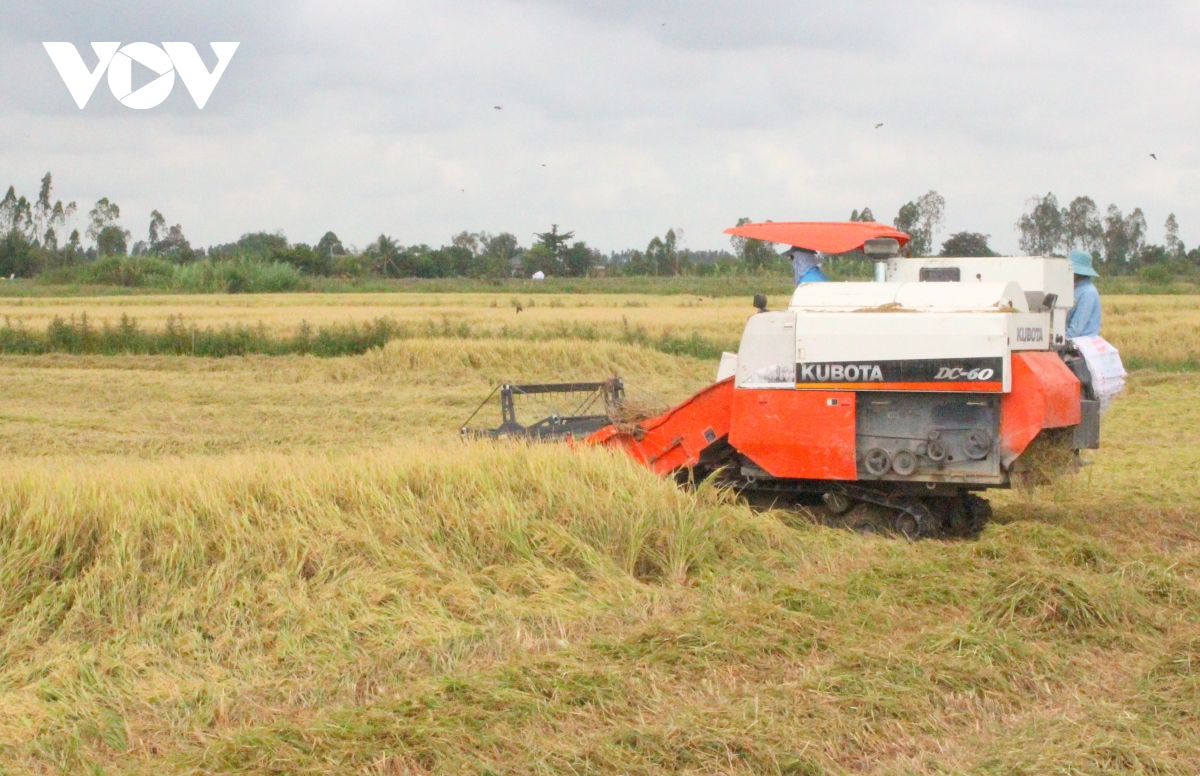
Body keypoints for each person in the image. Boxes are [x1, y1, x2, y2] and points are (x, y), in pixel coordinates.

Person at [1066, 250, 1102, 338]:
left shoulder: (1088, 293)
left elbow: (1076, 330)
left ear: (1076, 274)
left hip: (1083, 344)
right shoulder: (1073, 289)